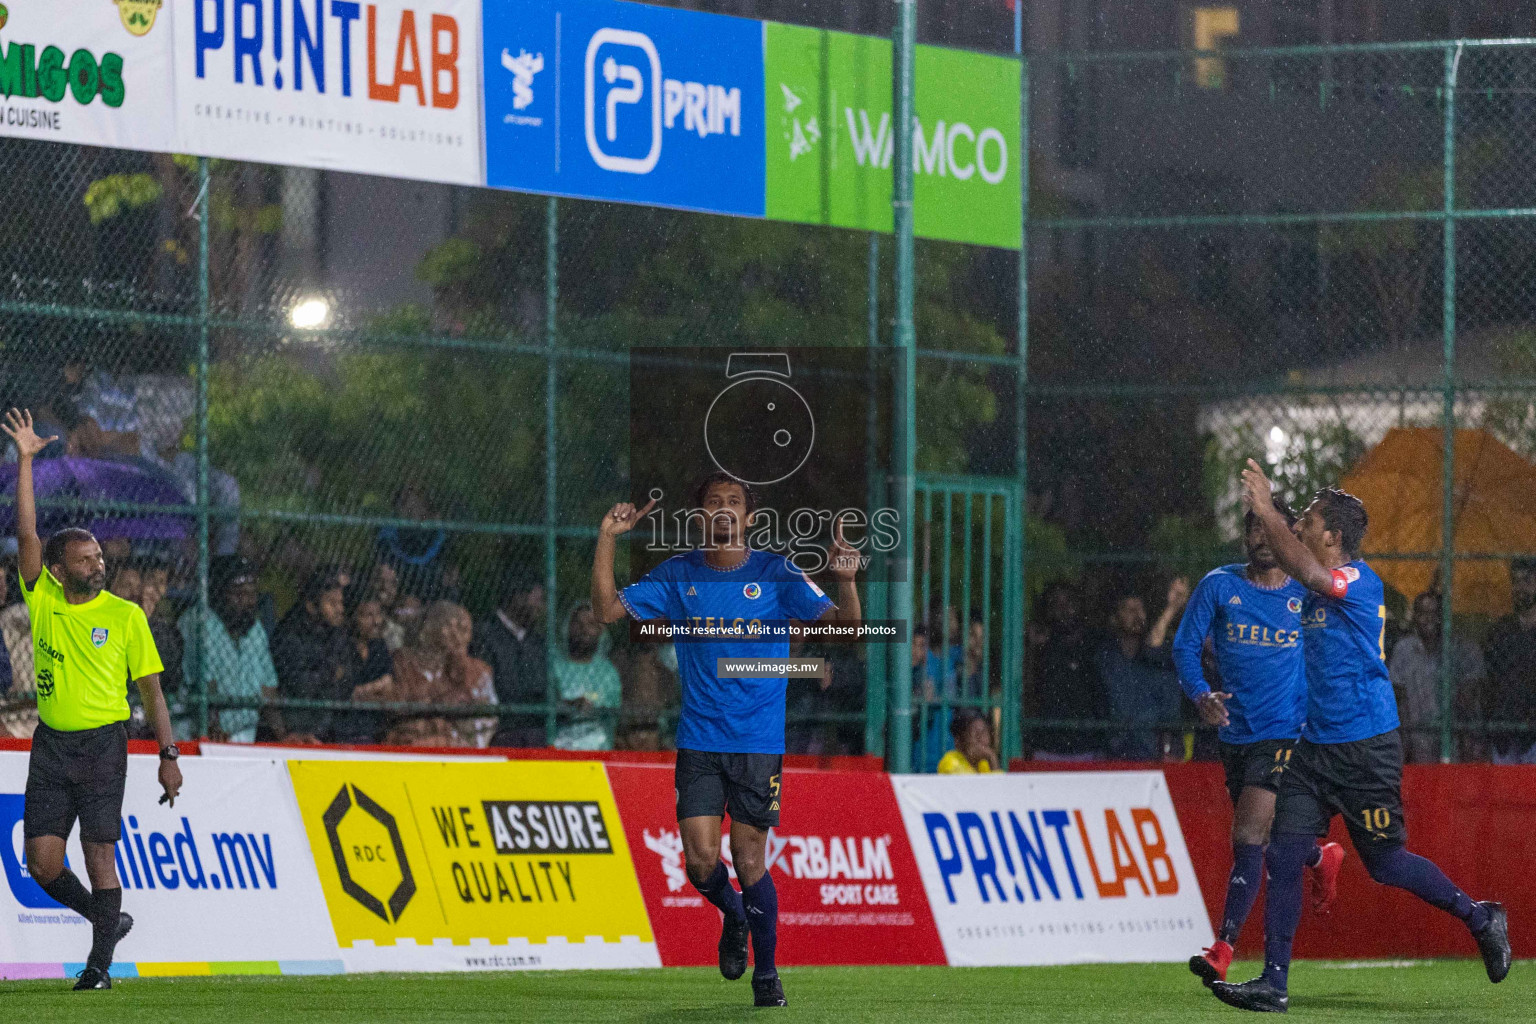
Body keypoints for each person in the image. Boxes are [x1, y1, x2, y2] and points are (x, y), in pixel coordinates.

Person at [1210, 465, 1510, 1013]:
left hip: (1364, 748)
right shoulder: (1308, 580)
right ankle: (1273, 983)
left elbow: (1308, 571)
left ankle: (1480, 916)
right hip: (1313, 747)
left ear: (1333, 537)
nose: (1298, 524)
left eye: (1308, 517)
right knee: (1284, 850)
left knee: (1387, 863)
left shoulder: (1356, 580)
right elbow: (1285, 579)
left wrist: (1269, 510)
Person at [591, 472, 860, 1008]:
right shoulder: (679, 573)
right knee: (701, 862)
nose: (722, 510)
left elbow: (848, 631)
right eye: (713, 502)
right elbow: (606, 613)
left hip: (758, 742)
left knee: (750, 857)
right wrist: (607, 539)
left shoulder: (778, 572)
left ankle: (767, 974)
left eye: (733, 503)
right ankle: (734, 915)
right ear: (699, 517)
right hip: (698, 741)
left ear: (750, 518)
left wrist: (846, 580)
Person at [3, 408, 182, 990]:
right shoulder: (45, 601)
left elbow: (152, 690)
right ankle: (107, 921)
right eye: (85, 559)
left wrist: (169, 755)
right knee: (42, 864)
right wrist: (26, 461)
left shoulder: (127, 616)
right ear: (56, 570)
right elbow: (27, 534)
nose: (98, 564)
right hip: (52, 745)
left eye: (100, 558)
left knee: (99, 853)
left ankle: (99, 967)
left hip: (106, 744)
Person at [1175, 499, 1340, 986]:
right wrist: (1201, 694)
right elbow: (1185, 646)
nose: (1263, 539)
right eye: (1255, 530)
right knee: (1266, 843)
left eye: (1274, 531)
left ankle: (1223, 947)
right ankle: (1320, 855)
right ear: (1245, 535)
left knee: (1247, 836)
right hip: (1236, 733)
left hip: (1287, 733)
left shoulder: (1308, 594)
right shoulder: (1220, 585)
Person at [357, 600, 496, 748]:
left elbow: (482, 723)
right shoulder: (399, 662)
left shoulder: (472, 671)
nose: (456, 635)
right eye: (449, 625)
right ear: (428, 627)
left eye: (463, 629)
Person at [178, 555, 280, 743]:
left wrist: (283, 735)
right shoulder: (200, 622)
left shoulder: (254, 628)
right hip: (196, 737)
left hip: (245, 736)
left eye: (251, 593)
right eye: (238, 593)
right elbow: (205, 684)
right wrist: (212, 727)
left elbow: (268, 688)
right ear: (219, 592)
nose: (247, 601)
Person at [1390, 591, 1486, 764]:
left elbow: (1470, 700)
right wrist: (1404, 743)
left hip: (1453, 740)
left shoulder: (1461, 650)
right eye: (1422, 613)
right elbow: (1400, 699)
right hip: (1417, 739)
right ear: (1415, 617)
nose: (1428, 620)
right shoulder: (1404, 650)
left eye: (1434, 613)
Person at [1097, 580, 1188, 761]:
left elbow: (1154, 646)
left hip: (1155, 753)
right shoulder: (1106, 657)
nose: (1136, 615)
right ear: (1114, 618)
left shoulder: (1161, 653)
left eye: (1140, 609)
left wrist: (1172, 607)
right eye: (1128, 609)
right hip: (1115, 754)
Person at [270, 569, 353, 743]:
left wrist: (323, 676)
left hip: (330, 723)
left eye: (340, 603)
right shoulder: (289, 633)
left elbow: (346, 681)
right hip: (297, 726)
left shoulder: (336, 633)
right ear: (311, 606)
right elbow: (299, 686)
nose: (340, 610)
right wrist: (330, 673)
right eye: (332, 603)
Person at [1027, 581, 1108, 759]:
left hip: (1088, 748)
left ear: (1079, 605)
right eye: (1056, 604)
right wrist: (1032, 649)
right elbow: (1028, 693)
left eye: (1069, 603)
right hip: (1048, 748)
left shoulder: (1094, 646)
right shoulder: (1042, 649)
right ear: (1047, 611)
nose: (1063, 610)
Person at [472, 575, 548, 748]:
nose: (541, 607)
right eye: (538, 600)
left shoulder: (537, 643)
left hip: (534, 734)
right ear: (518, 597)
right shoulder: (484, 634)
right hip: (500, 732)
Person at [1484, 558, 1536, 763]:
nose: (1520, 588)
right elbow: (1490, 681)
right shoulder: (1501, 630)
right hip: (1504, 734)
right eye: (1515, 581)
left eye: (1527, 581)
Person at [553, 602, 622, 751]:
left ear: (600, 631)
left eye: (591, 624)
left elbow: (613, 712)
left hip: (598, 747)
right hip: (559, 745)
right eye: (578, 624)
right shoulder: (555, 667)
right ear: (568, 627)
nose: (584, 630)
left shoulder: (608, 672)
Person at [339, 585, 395, 744]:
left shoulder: (379, 646)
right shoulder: (340, 645)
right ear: (352, 617)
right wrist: (374, 688)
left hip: (375, 723)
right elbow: (345, 693)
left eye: (378, 614)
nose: (376, 621)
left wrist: (363, 692)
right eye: (368, 616)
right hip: (344, 726)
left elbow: (389, 686)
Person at [937, 707, 998, 773]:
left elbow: (1000, 783)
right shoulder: (950, 762)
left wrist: (992, 760)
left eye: (984, 733)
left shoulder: (984, 764)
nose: (983, 740)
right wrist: (992, 758)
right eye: (977, 735)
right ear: (958, 741)